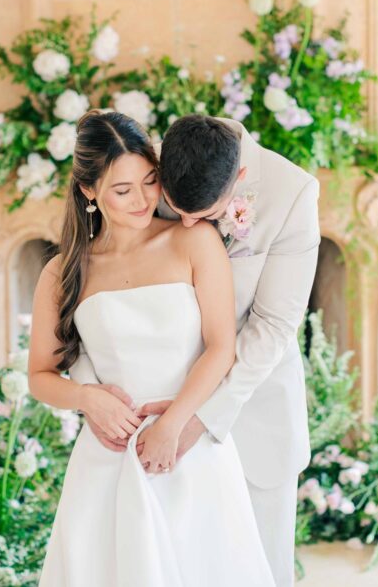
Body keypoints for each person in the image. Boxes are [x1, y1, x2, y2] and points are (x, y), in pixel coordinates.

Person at [71, 114, 321, 586]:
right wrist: (93, 395)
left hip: (250, 411)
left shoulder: (293, 195)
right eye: (174, 207)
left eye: (202, 216)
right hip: (151, 420)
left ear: (240, 180)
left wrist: (195, 419)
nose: (187, 225)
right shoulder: (159, 166)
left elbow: (273, 325)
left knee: (259, 570)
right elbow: (95, 288)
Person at [28, 110, 275, 586]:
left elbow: (221, 348)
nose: (142, 200)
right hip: (107, 459)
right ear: (88, 191)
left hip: (190, 448)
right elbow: (39, 375)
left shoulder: (194, 240)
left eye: (149, 181)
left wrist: (174, 424)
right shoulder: (62, 273)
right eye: (122, 190)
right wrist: (85, 398)